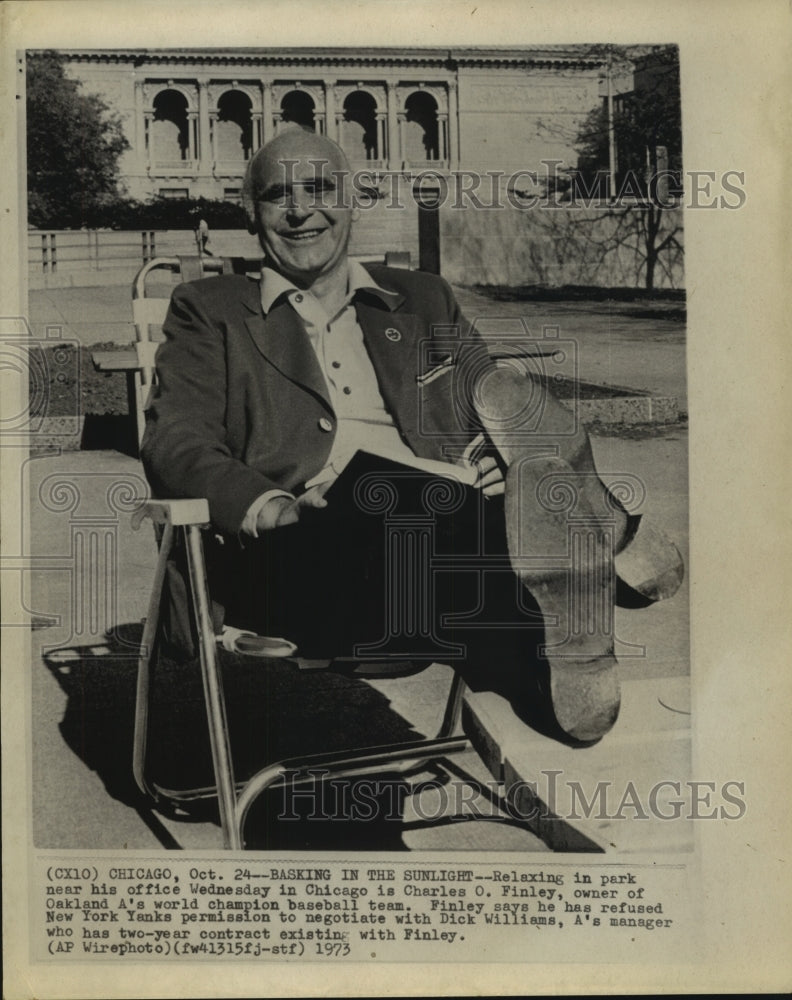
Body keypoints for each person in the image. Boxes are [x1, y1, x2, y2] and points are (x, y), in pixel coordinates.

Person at [142, 127, 682, 746]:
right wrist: (275, 509)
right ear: (251, 212)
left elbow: (495, 402)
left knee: (494, 459)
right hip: (304, 552)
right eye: (277, 196)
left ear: (351, 198)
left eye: (320, 188)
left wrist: (492, 460)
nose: (300, 210)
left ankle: (546, 652)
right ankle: (591, 561)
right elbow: (176, 441)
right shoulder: (209, 308)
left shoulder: (421, 299)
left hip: (436, 545)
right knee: (423, 511)